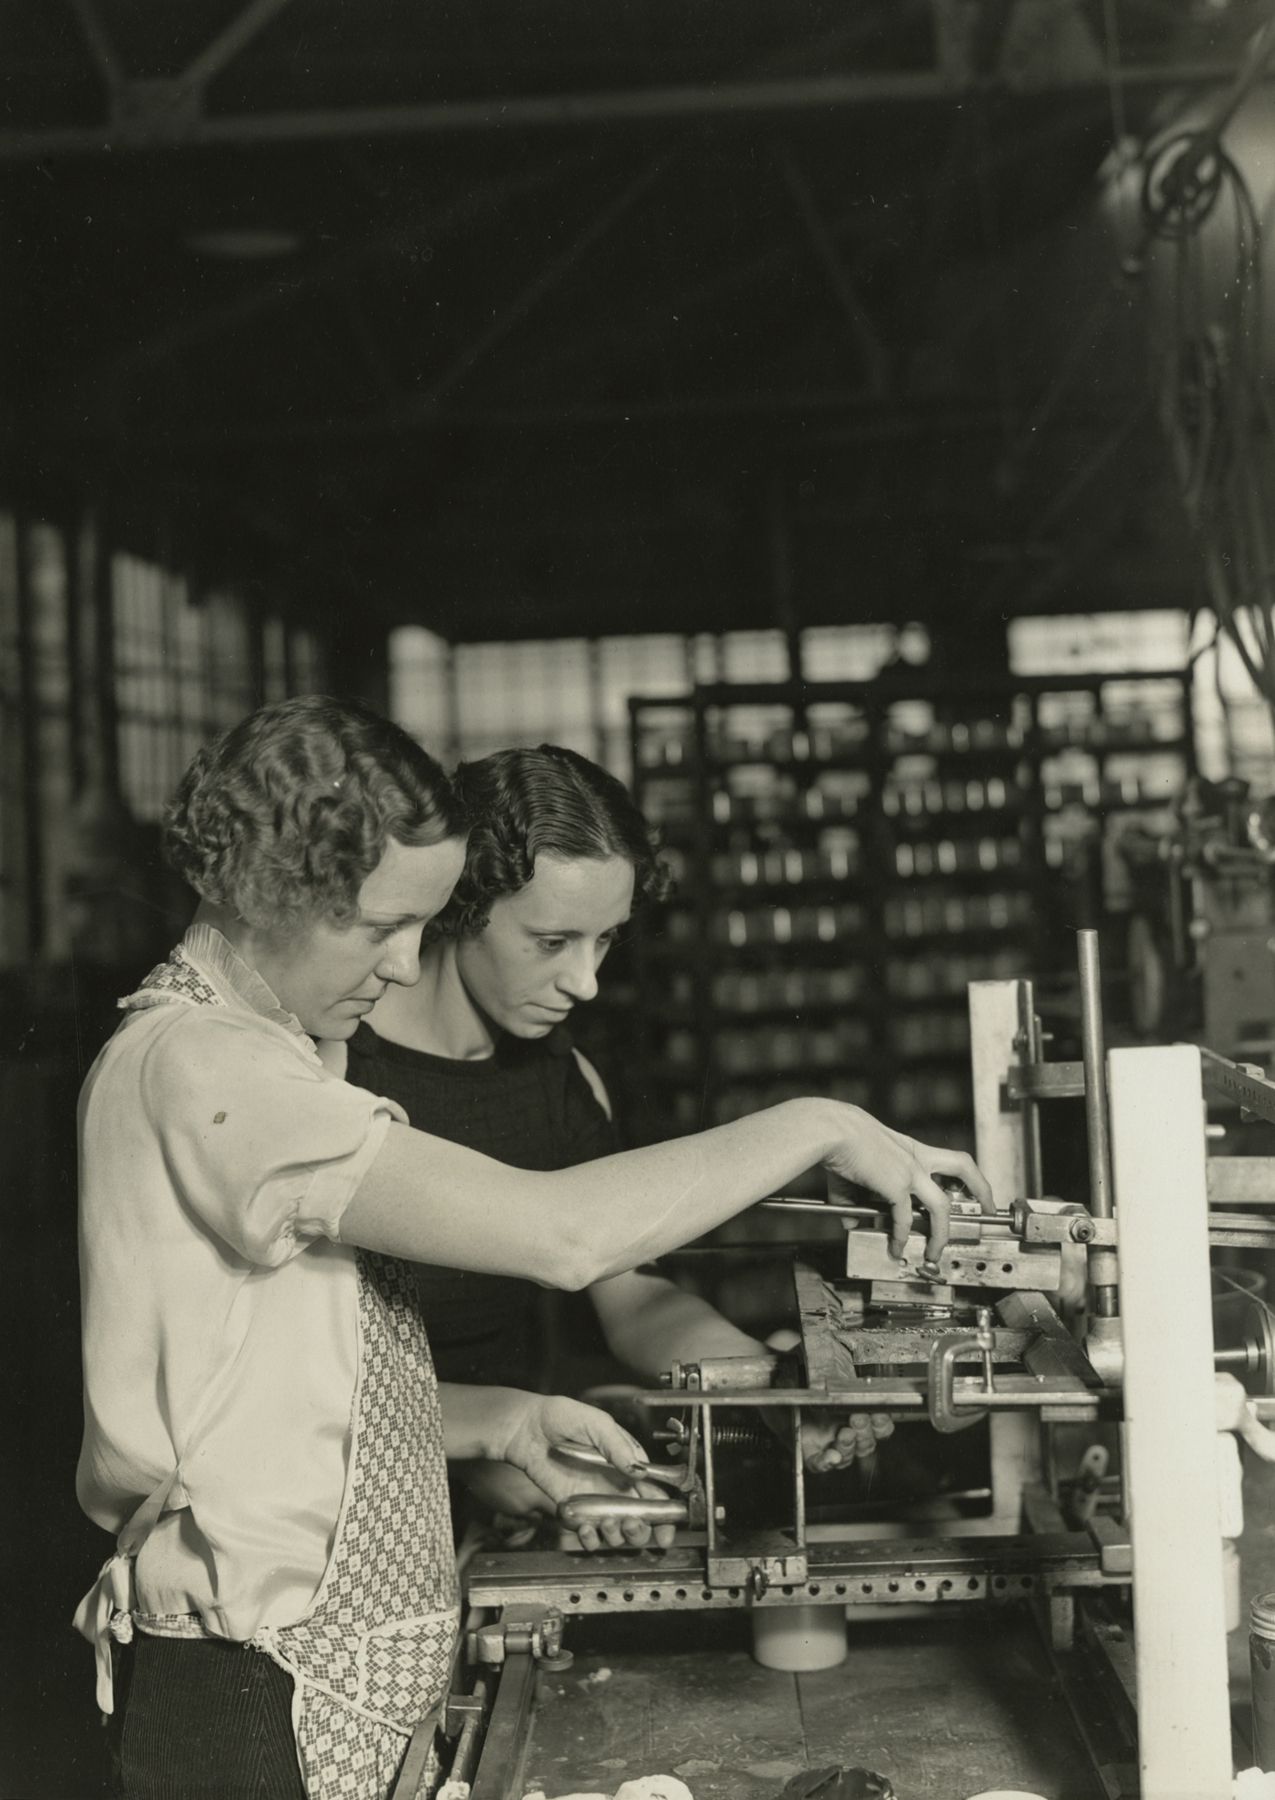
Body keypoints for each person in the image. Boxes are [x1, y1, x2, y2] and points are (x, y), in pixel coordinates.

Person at [74, 696, 991, 1800]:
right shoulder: (212, 1069)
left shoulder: (261, 1057)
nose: (409, 967)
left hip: (300, 1663)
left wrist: (505, 1418)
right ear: (278, 892)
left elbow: (271, 1388)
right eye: (380, 928)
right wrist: (823, 1124)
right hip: (245, 1684)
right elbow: (565, 1235)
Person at [335, 743, 892, 1536]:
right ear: (460, 904)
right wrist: (480, 1448)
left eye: (605, 941)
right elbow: (300, 1377)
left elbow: (631, 1300)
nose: (586, 981)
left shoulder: (563, 1079)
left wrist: (772, 1388)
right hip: (347, 1508)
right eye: (552, 942)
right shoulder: (333, 1073)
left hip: (504, 1499)